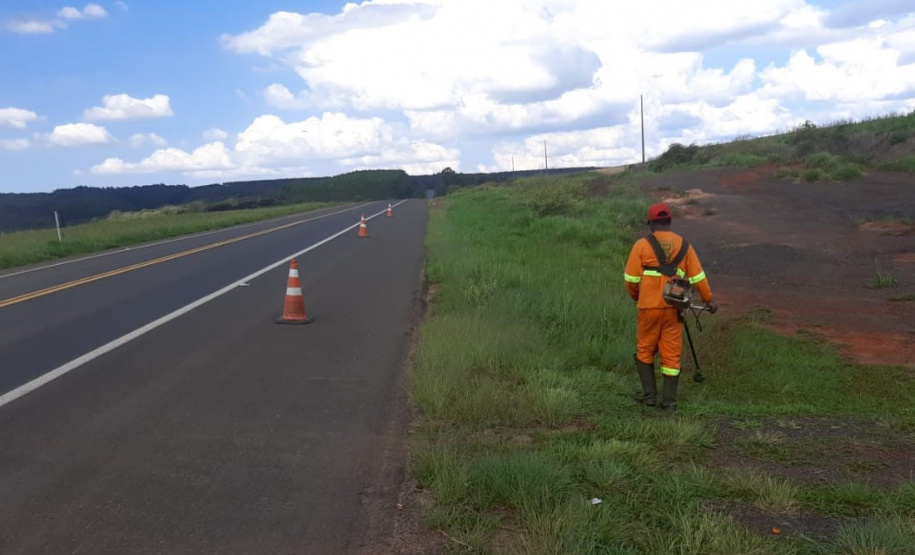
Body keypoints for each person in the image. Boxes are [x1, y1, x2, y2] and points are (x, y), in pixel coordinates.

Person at [623, 203, 718, 411]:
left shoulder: (641, 245)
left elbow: (630, 279)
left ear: (651, 224)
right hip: (674, 310)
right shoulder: (685, 245)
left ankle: (649, 397)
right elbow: (698, 277)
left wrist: (636, 296)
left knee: (645, 350)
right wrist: (708, 300)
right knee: (671, 355)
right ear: (669, 222)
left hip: (648, 308)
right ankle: (669, 403)